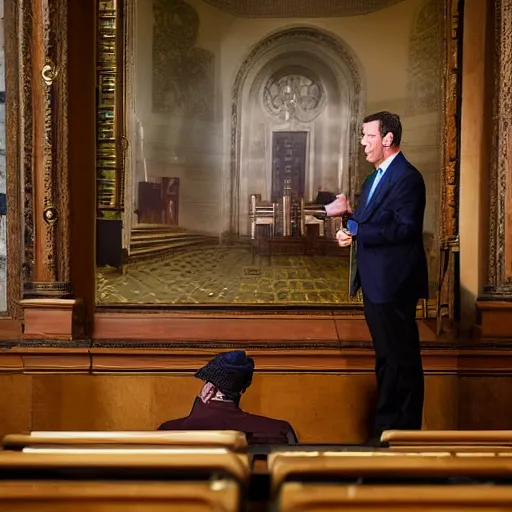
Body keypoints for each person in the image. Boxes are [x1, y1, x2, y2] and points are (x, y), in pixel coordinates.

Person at [325, 111, 428, 445]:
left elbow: (405, 228)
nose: (362, 143)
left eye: (368, 136)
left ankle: (403, 436)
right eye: (362, 136)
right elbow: (369, 224)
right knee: (386, 359)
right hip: (373, 284)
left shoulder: (408, 177)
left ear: (387, 139)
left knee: (401, 361)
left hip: (394, 284)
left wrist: (358, 232)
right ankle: (385, 434)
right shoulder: (373, 179)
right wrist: (349, 225)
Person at [158, 350, 298, 445]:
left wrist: (199, 406)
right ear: (243, 389)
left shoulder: (167, 431)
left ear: (209, 389)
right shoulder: (280, 431)